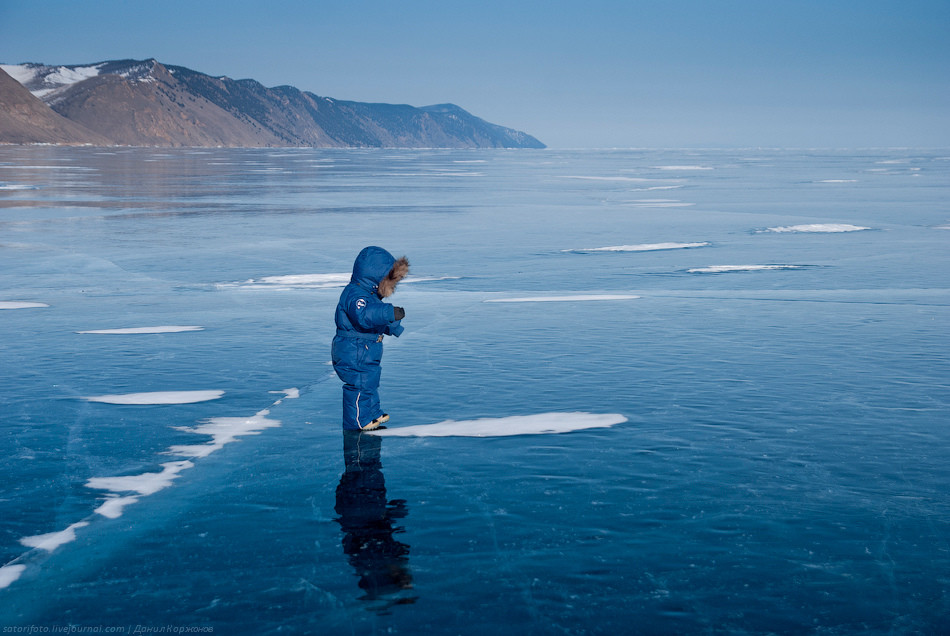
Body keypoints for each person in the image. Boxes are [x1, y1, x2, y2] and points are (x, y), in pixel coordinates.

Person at [331, 246, 408, 431]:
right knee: (358, 384)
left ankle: (372, 412)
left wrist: (394, 326)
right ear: (374, 276)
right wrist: (389, 311)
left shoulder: (370, 296)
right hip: (353, 349)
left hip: (366, 348)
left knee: (370, 380)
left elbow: (375, 320)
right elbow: (364, 316)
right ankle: (357, 420)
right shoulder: (354, 294)